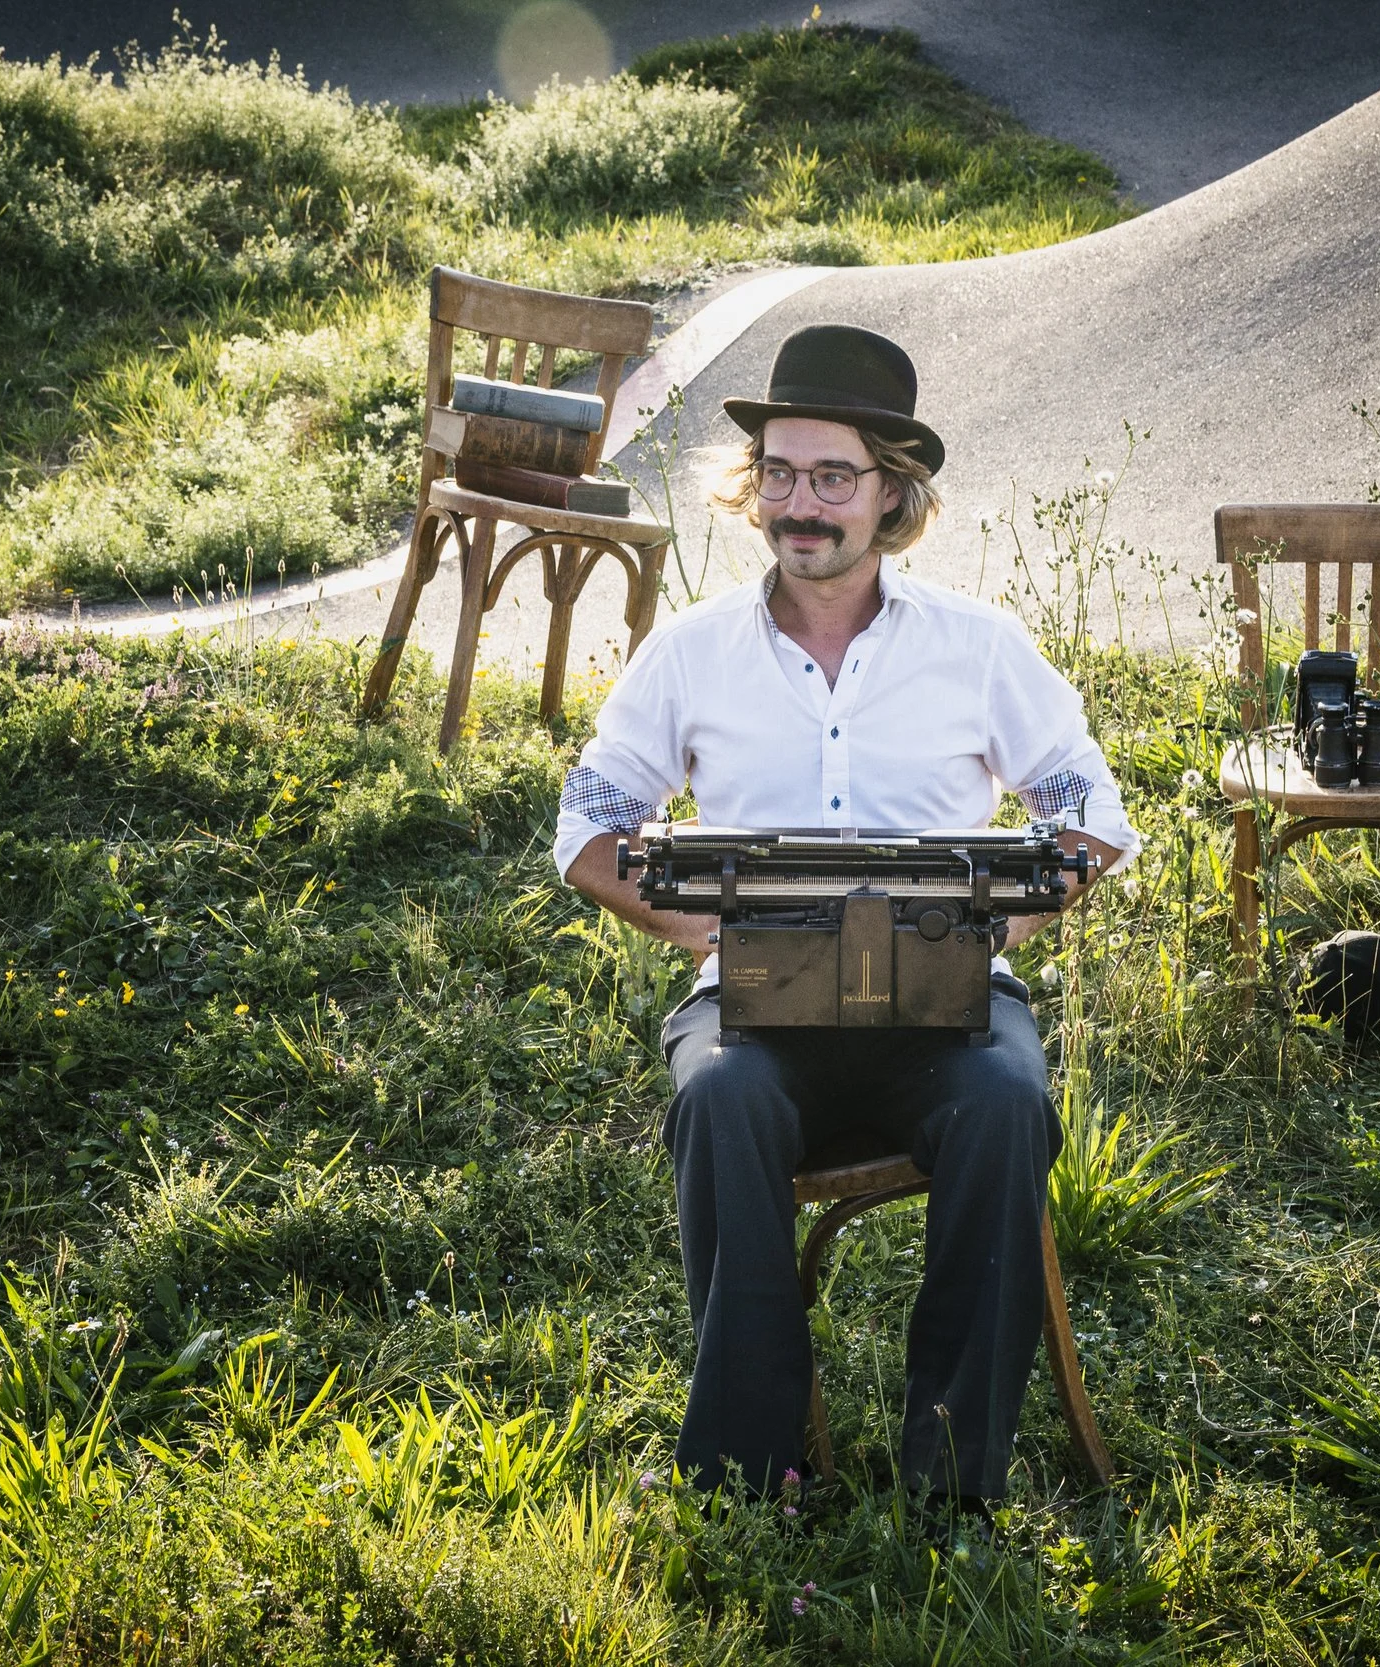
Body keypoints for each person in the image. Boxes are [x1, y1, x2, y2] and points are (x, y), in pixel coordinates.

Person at [554, 323, 1141, 1503]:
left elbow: (1090, 815)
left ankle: (950, 1478)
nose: (800, 505)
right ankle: (751, 1472)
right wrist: (713, 935)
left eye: (833, 478)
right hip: (756, 1004)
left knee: (1006, 1102)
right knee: (718, 1095)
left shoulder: (977, 646)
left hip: (945, 1004)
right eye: (778, 473)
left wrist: (990, 932)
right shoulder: (692, 652)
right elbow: (588, 827)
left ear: (891, 494)